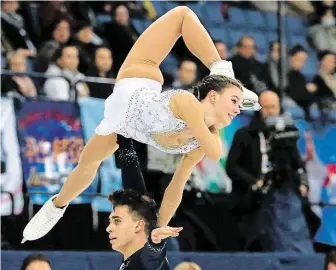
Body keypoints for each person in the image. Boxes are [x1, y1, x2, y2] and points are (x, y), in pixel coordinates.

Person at [22, 6, 260, 243]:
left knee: (88, 164)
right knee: (182, 14)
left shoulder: (202, 138)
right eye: (234, 101)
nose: (238, 110)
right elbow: (215, 151)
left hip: (126, 124)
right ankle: (55, 207)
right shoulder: (188, 105)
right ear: (213, 97)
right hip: (138, 76)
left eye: (239, 104)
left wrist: (159, 227)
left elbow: (175, 188)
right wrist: (227, 97)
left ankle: (57, 204)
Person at [107, 144, 205, 270]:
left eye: (117, 221)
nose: (109, 228)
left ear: (138, 226)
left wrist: (154, 240)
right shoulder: (131, 263)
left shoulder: (146, 257)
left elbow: (132, 175)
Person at [226, 90, 312, 252]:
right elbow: (232, 167)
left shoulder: (288, 135)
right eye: (266, 107)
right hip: (252, 200)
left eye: (274, 107)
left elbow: (297, 164)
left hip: (282, 195)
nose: (271, 111)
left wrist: (302, 183)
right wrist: (254, 182)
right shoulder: (245, 135)